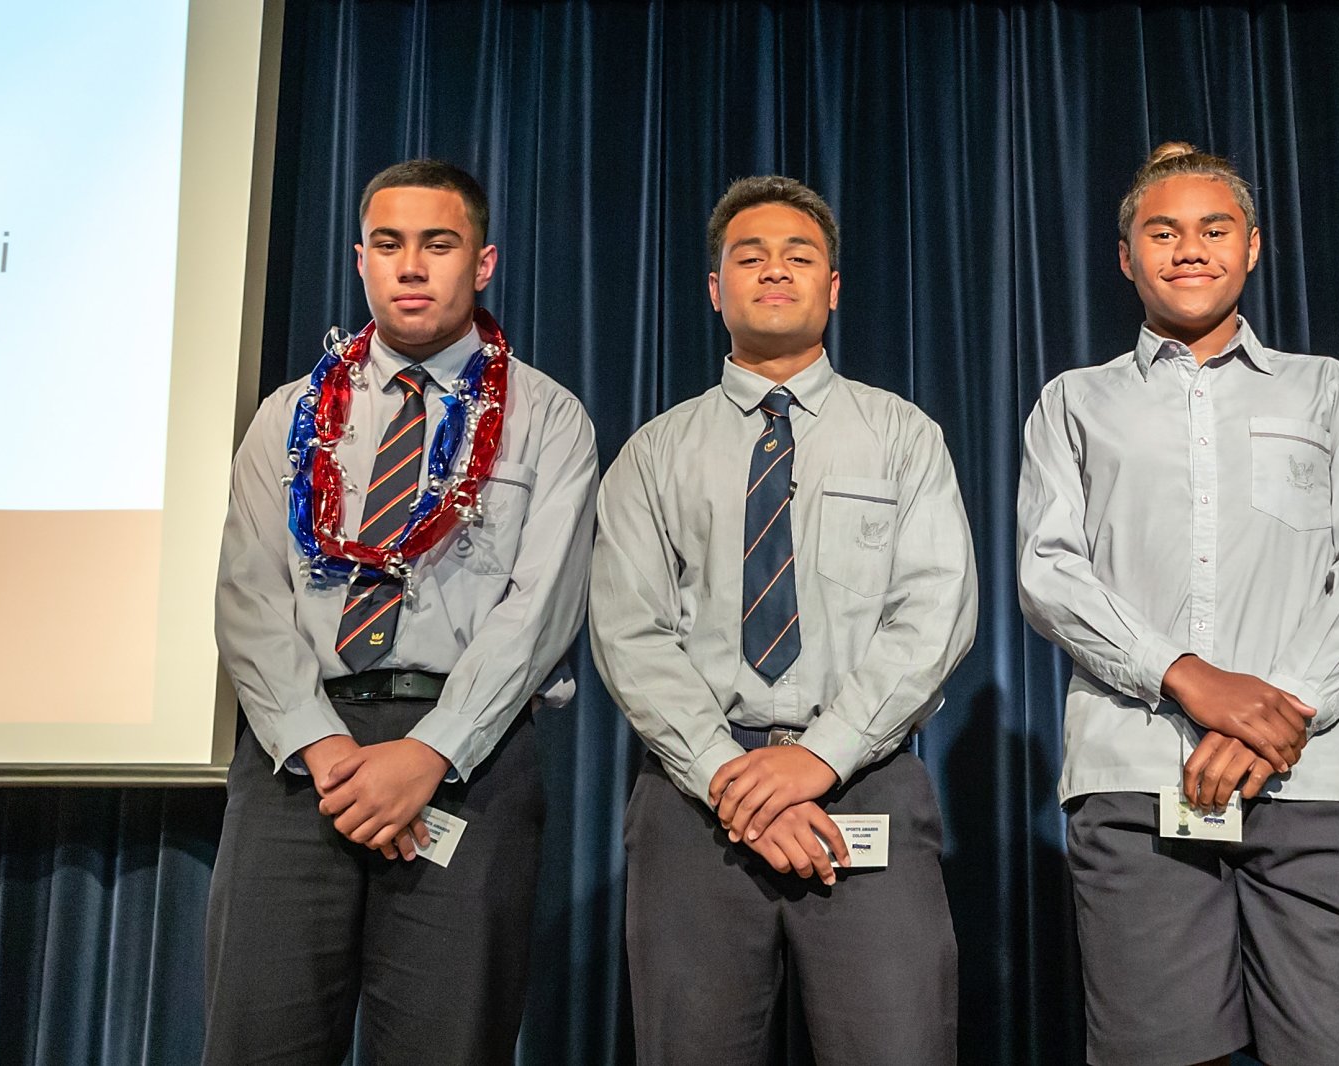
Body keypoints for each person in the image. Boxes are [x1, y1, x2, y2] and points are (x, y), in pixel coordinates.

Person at [1016, 142, 1339, 1066]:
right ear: (1126, 256)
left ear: (1253, 246)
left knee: (1328, 1053)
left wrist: (1278, 712)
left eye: (1213, 229)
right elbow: (1049, 572)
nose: (1189, 248)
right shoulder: (1073, 403)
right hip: (1135, 777)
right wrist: (1189, 680)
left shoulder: (1329, 390)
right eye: (1162, 232)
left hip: (1311, 778)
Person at [206, 159, 598, 1064]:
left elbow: (541, 610)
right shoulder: (289, 415)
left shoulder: (549, 418)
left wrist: (430, 751)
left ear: (483, 262)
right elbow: (248, 595)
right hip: (299, 759)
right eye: (388, 244)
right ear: (361, 260)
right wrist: (324, 747)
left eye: (438, 244)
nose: (411, 265)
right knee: (255, 1038)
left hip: (466, 758)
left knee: (445, 1044)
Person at [589, 175, 977, 1065]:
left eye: (798, 257)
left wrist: (819, 757)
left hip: (865, 779)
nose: (773, 270)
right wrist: (729, 776)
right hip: (695, 794)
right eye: (749, 257)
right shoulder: (654, 453)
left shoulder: (903, 436)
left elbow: (935, 613)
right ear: (714, 288)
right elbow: (629, 632)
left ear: (832, 287)